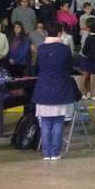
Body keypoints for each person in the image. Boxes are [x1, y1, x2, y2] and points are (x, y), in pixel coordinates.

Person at [33, 22, 80, 161]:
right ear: (60, 33)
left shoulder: (41, 49)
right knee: (58, 122)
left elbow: (37, 67)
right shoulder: (64, 49)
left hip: (43, 88)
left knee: (45, 122)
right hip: (60, 88)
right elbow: (70, 66)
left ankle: (46, 153)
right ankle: (55, 153)